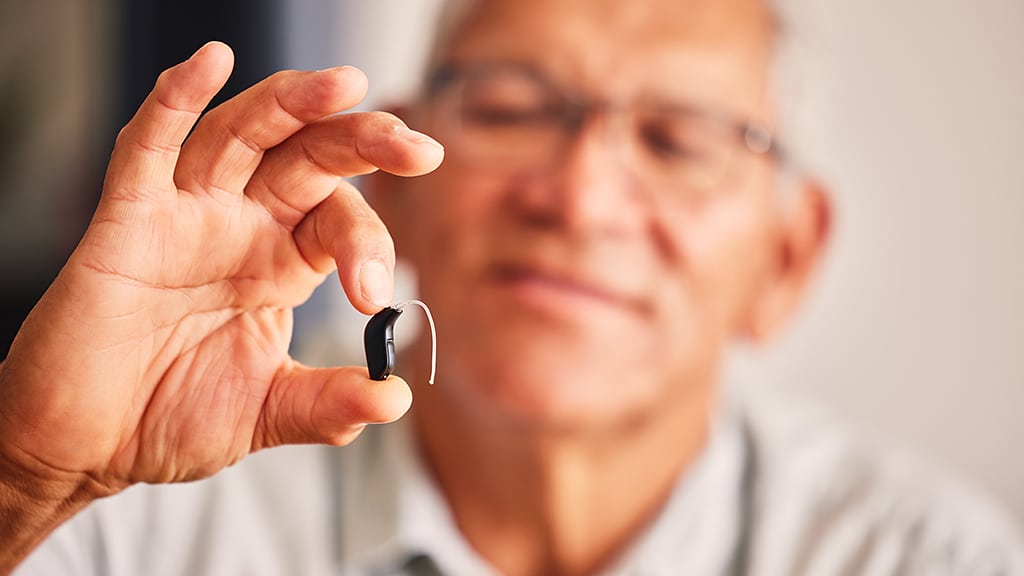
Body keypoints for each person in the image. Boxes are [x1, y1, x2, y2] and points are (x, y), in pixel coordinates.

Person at [2, 0, 1022, 574]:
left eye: (678, 140)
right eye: (508, 108)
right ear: (389, 177)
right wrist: (26, 479)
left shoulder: (923, 557)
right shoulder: (126, 515)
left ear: (785, 260)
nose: (578, 199)